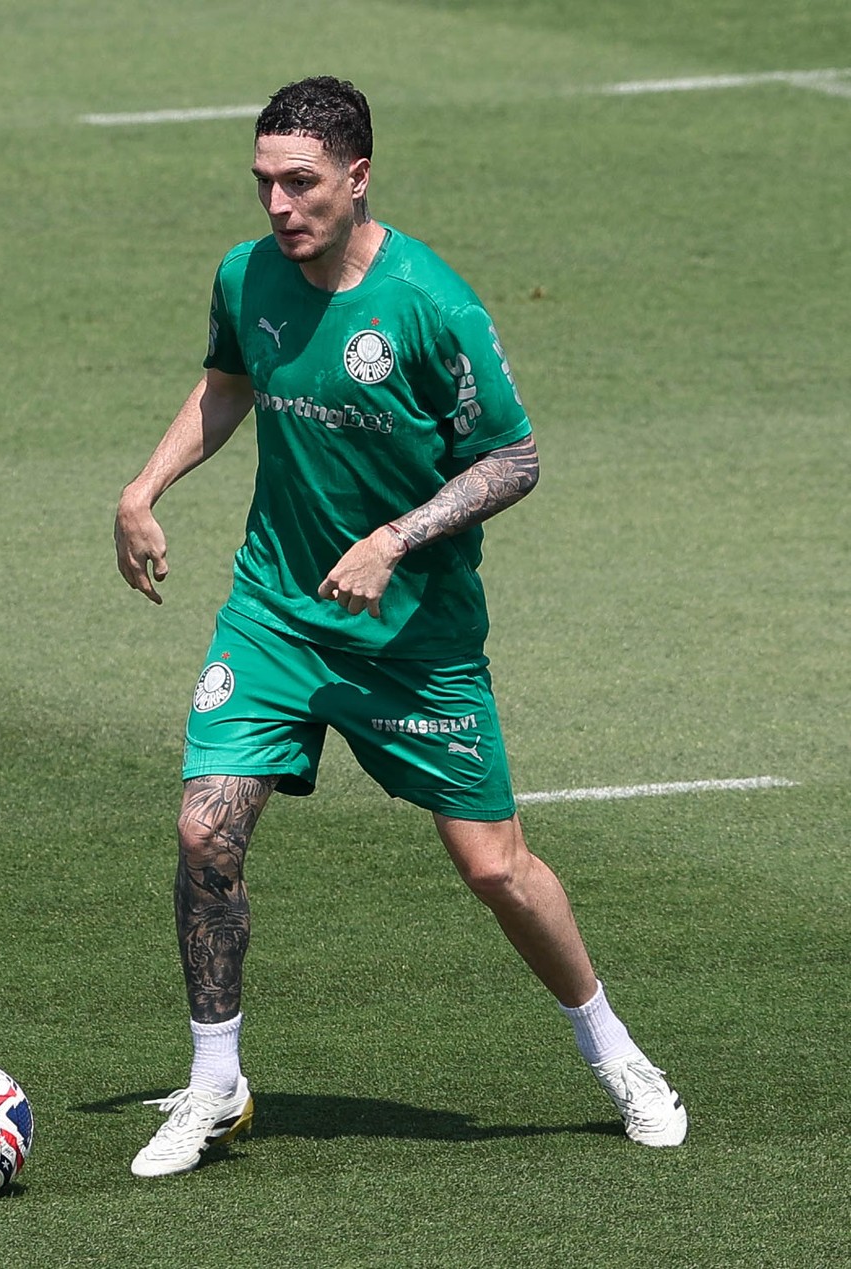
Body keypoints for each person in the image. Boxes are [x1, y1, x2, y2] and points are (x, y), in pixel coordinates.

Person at [114, 76, 687, 1177]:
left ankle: (617, 1055)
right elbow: (226, 383)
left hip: (415, 645)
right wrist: (142, 490)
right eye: (265, 183)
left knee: (493, 867)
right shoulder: (248, 276)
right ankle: (214, 1083)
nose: (279, 206)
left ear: (358, 176)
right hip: (275, 616)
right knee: (204, 833)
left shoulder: (432, 304)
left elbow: (515, 457)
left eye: (302, 183)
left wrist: (395, 539)